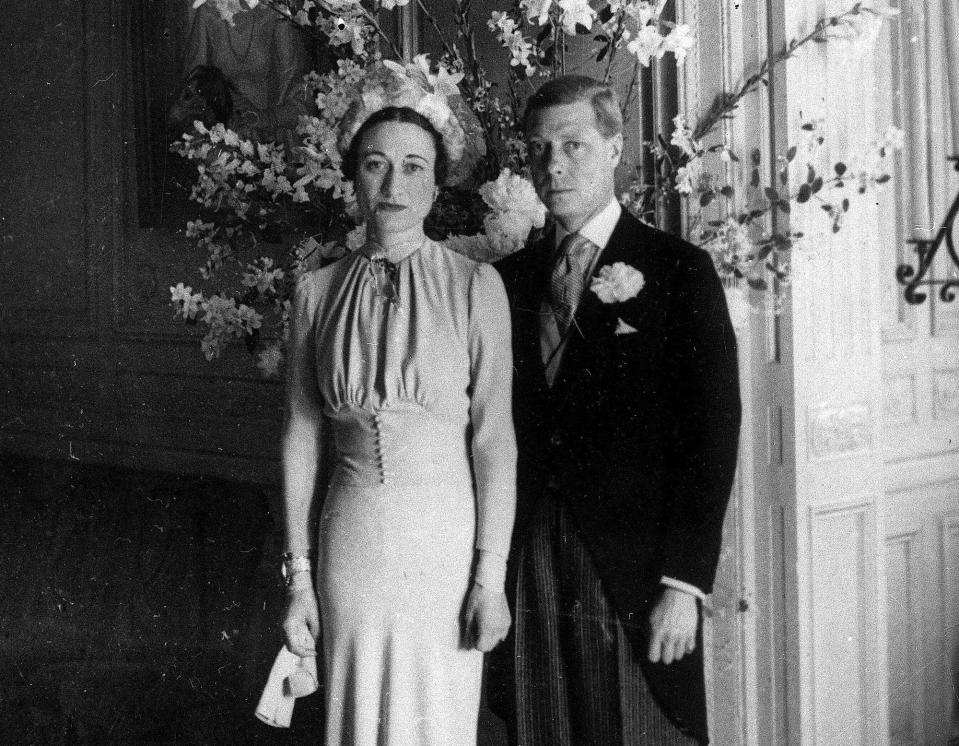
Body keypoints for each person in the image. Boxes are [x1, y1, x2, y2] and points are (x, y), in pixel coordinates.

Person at [494, 75, 742, 745]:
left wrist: (683, 584)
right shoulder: (505, 281)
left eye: (573, 145)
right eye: (539, 148)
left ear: (613, 149)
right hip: (530, 559)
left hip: (634, 566)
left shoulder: (676, 269)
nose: (553, 165)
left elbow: (711, 436)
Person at [279, 101, 516, 745]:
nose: (393, 186)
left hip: (444, 541)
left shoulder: (476, 286)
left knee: (438, 714)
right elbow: (302, 439)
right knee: (354, 717)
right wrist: (299, 578)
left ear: (436, 184)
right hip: (350, 538)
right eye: (375, 165)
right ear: (353, 178)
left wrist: (488, 578)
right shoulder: (316, 293)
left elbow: (495, 443)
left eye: (413, 168)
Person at [182, 0, 311, 144]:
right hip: (223, 128)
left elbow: (296, 86)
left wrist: (265, 118)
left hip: (267, 130)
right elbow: (194, 82)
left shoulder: (277, 12)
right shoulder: (207, 12)